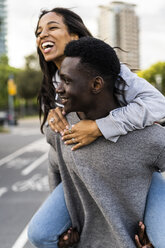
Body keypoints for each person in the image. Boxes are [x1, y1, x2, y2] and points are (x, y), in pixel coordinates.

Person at [28, 7, 165, 248]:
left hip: (134, 163)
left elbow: (158, 104)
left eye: (52, 27)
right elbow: (56, 159)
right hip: (85, 171)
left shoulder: (112, 71)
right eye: (38, 31)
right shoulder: (53, 84)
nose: (42, 35)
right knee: (41, 233)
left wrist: (100, 127)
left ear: (75, 37)